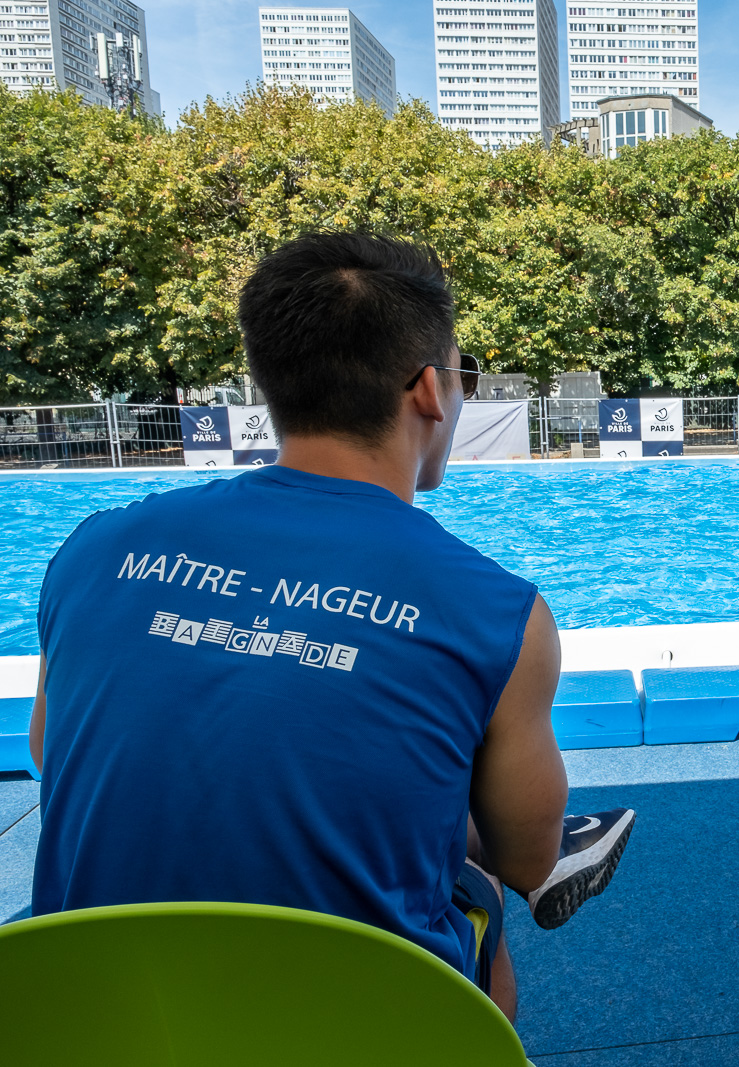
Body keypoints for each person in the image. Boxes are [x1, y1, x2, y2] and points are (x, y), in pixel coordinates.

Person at [29, 232, 633, 1024]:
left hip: (83, 1010)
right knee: (487, 879)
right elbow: (530, 859)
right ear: (428, 389)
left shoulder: (96, 549)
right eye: (465, 374)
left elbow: (49, 749)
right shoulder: (496, 613)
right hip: (353, 1021)